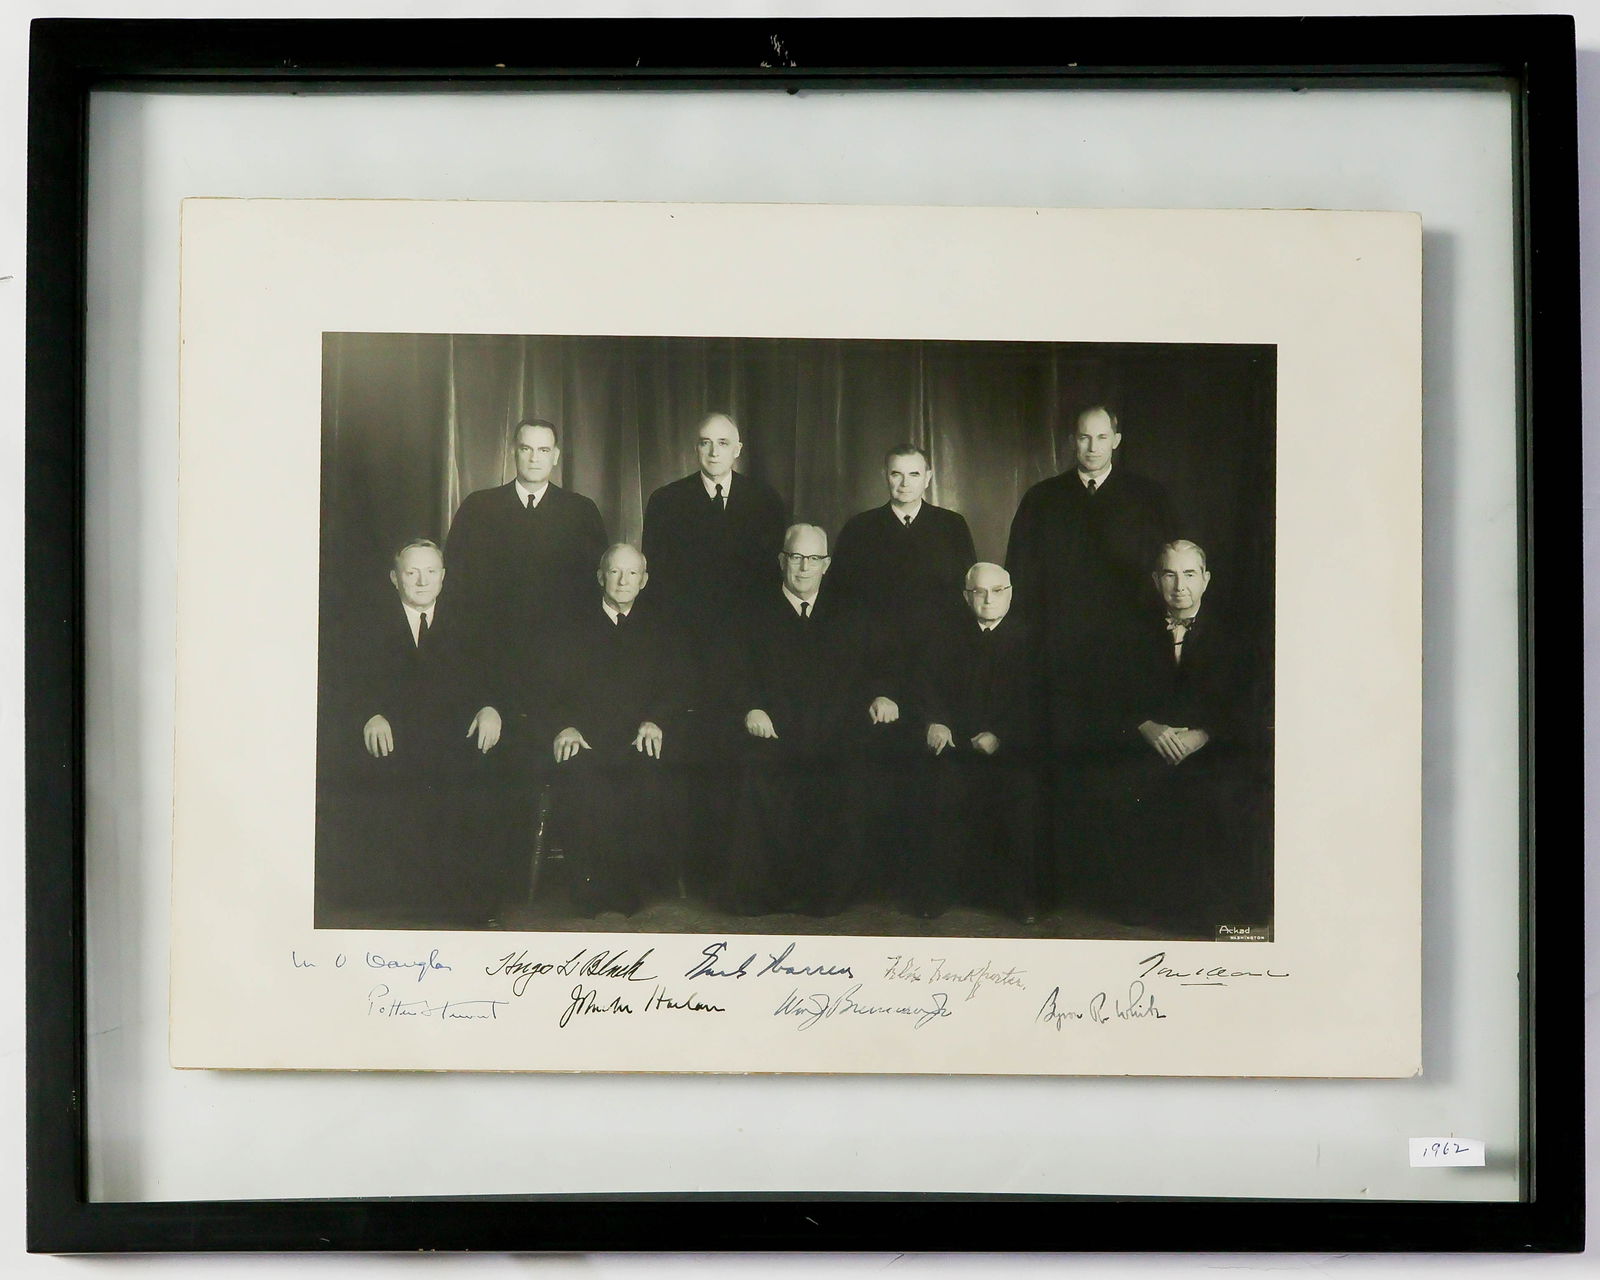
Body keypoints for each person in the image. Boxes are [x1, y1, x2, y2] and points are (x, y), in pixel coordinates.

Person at [315, 540, 515, 926]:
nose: (421, 581)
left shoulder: (471, 622)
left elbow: (498, 677)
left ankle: (466, 899)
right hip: (394, 737)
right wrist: (369, 714)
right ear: (395, 578)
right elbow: (342, 684)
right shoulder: (363, 624)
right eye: (411, 572)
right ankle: (396, 900)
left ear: (443, 576)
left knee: (483, 775)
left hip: (455, 737)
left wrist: (491, 707)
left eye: (430, 572)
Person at [1088, 540, 1271, 935]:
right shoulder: (1129, 632)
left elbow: (1252, 704)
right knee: (1122, 787)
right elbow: (1108, 696)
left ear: (1206, 579)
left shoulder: (1238, 636)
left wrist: (1203, 735)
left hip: (1217, 747)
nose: (1179, 586)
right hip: (1151, 744)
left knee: (1223, 795)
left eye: (1189, 574)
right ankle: (1147, 903)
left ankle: (1215, 910)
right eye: (1169, 574)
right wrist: (1146, 726)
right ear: (1156, 580)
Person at [640, 412, 787, 893]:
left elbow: (773, 585)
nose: (713, 451)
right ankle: (687, 869)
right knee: (690, 753)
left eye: (723, 443)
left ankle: (734, 869)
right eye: (704, 443)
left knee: (738, 753)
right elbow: (655, 587)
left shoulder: (765, 502)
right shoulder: (666, 502)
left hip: (747, 653)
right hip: (686, 650)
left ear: (738, 448)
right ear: (694, 448)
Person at [724, 524, 869, 916]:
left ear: (827, 564)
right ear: (781, 561)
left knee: (849, 773)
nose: (804, 567)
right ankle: (765, 894)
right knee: (758, 775)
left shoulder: (848, 614)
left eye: (814, 559)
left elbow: (869, 673)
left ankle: (825, 894)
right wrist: (750, 708)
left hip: (832, 731)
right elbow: (733, 674)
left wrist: (878, 698)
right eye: (795, 557)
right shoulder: (750, 612)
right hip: (771, 732)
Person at [545, 544, 685, 916]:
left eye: (632, 573)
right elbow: (547, 688)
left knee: (646, 776)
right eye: (615, 572)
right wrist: (566, 726)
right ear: (600, 576)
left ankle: (630, 890)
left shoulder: (662, 628)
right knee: (582, 778)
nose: (623, 581)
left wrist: (657, 720)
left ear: (644, 581)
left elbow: (677, 688)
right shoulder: (569, 626)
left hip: (638, 738)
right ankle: (590, 892)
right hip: (585, 739)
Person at [913, 563, 1046, 923]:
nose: (988, 599)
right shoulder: (944, 637)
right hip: (956, 747)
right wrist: (936, 723)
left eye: (997, 591)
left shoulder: (1030, 640)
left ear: (1010, 594)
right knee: (940, 792)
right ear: (965, 595)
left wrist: (1001, 737)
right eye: (979, 592)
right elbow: (927, 688)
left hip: (1009, 750)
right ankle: (937, 894)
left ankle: (1019, 899)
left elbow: (1038, 704)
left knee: (1020, 799)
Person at [443, 416, 609, 658]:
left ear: (555, 456)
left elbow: (596, 585)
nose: (534, 458)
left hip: (561, 651)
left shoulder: (582, 511)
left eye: (543, 450)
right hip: (489, 648)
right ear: (513, 452)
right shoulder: (478, 507)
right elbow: (455, 579)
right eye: (526, 449)